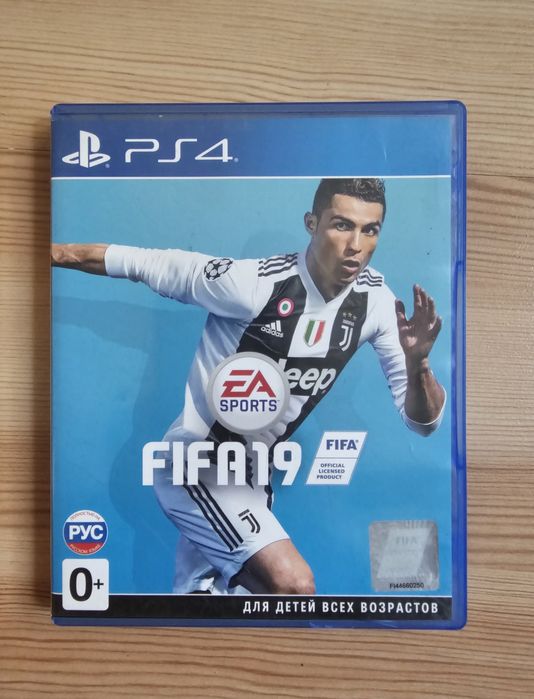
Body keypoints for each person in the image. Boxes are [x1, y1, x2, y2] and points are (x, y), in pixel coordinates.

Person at [51, 178, 445, 596]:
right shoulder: (252, 284)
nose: (355, 245)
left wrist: (419, 364)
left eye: (370, 230)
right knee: (294, 587)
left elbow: (422, 423)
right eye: (342, 225)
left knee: (209, 607)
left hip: (252, 478)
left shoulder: (376, 302)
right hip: (196, 465)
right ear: (312, 223)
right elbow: (141, 263)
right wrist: (52, 252)